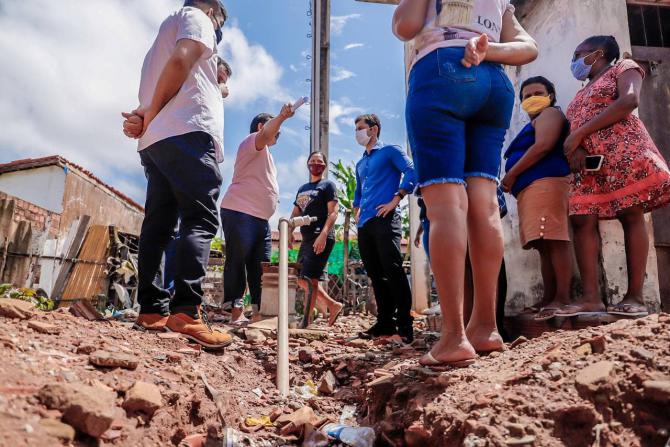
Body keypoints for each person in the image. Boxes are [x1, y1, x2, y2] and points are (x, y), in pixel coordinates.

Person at [393, 0, 538, 366]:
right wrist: (489, 48)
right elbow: (527, 47)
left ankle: (454, 336)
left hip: (441, 73)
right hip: (495, 84)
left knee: (446, 206)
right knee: (485, 203)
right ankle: (486, 327)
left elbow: (405, 26)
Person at [121, 0, 231, 348]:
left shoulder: (159, 41)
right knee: (199, 220)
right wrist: (150, 112)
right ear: (213, 11)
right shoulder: (197, 18)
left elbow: (165, 82)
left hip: (157, 141)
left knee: (158, 224)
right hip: (189, 134)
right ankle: (186, 310)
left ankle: (152, 310)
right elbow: (183, 60)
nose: (219, 32)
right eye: (221, 23)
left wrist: (144, 115)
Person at [558, 35, 670, 317]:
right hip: (590, 165)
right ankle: (591, 299)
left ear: (597, 53)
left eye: (578, 54)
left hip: (623, 151)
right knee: (582, 219)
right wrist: (578, 146)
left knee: (631, 214)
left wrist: (580, 133)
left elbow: (629, 100)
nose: (574, 61)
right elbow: (576, 124)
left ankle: (635, 298)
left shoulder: (625, 67)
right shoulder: (581, 92)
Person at [501, 76, 572, 321]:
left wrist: (511, 174)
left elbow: (543, 146)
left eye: (537, 93)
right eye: (526, 96)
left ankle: (562, 298)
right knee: (543, 245)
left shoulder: (550, 114)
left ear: (550, 95)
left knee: (554, 240)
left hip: (547, 183)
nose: (531, 99)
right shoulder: (535, 121)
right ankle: (549, 298)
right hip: (532, 188)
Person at [220, 105, 296, 324]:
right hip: (240, 211)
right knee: (237, 260)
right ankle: (235, 312)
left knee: (260, 265)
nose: (278, 136)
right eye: (276, 131)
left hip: (260, 219)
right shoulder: (252, 142)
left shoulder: (266, 155)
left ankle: (257, 313)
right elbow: (265, 134)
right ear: (262, 126)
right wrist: (282, 117)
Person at [164, 57, 232, 297]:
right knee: (200, 220)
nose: (225, 85)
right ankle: (185, 305)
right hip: (193, 143)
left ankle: (164, 298)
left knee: (172, 225)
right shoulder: (197, 83)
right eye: (222, 77)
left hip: (166, 145)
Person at [352, 114, 416, 344]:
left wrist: (396, 198)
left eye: (361, 128)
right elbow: (359, 190)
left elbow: (411, 171)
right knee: (376, 275)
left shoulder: (390, 151)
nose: (357, 132)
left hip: (386, 218)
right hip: (365, 223)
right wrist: (356, 208)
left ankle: (405, 327)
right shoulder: (361, 162)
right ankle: (385, 324)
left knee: (393, 270)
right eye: (355, 128)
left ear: (374, 129)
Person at [289, 152, 344, 328]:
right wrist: (290, 229)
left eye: (319, 162)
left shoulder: (328, 185)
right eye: (312, 161)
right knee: (301, 278)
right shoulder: (303, 188)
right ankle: (332, 305)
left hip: (322, 236)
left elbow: (333, 212)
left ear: (324, 165)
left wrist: (323, 234)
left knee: (310, 278)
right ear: (307, 164)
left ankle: (306, 322)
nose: (315, 164)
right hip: (306, 238)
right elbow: (296, 212)